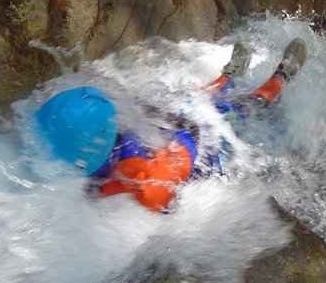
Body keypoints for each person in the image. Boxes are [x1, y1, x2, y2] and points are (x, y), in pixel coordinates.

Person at [35, 38, 307, 212]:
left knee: (223, 103)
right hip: (189, 128)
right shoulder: (122, 155)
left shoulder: (113, 159)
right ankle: (247, 79)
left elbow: (172, 164)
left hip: (192, 129)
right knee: (212, 103)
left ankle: (271, 77)